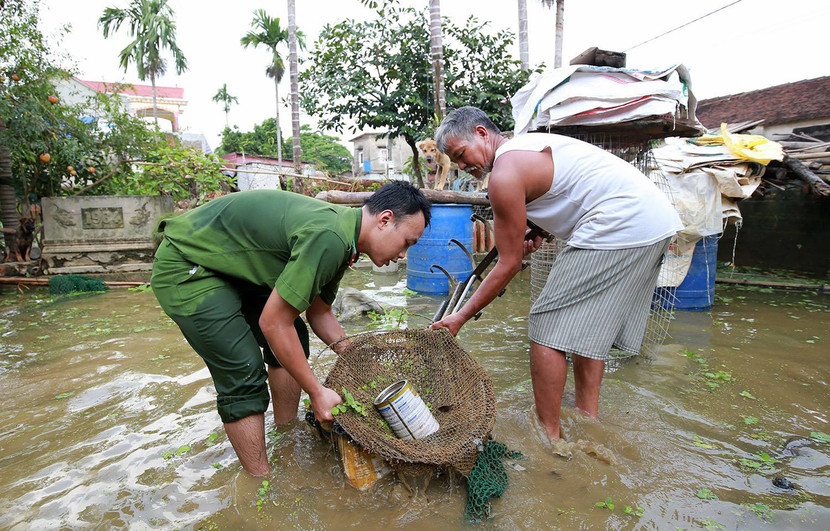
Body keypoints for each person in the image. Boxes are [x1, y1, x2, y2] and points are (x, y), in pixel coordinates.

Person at [431, 106, 682, 440]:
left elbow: (507, 265)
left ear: (481, 133)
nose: (462, 167)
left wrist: (460, 317)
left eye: (461, 155)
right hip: (654, 221)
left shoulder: (505, 174)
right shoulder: (528, 147)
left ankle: (548, 435)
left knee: (546, 326)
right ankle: (587, 418)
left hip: (619, 224)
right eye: (456, 161)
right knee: (587, 328)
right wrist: (537, 230)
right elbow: (571, 191)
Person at [151, 182, 431, 475]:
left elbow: (319, 312)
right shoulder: (330, 236)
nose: (402, 255)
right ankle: (261, 482)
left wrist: (354, 354)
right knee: (243, 367)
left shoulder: (345, 238)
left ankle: (285, 438)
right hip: (188, 264)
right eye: (407, 243)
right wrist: (317, 391)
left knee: (294, 334)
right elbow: (273, 323)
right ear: (385, 220)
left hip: (229, 267)